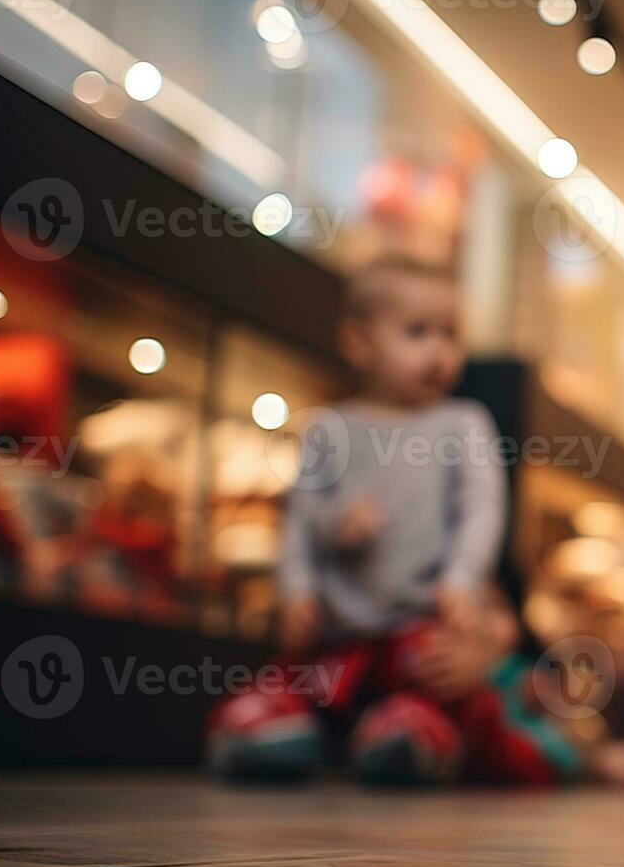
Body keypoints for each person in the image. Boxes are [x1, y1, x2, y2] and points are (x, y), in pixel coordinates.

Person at [208, 256, 553, 786]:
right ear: (360, 343)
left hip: (416, 624)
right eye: (417, 332)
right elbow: (300, 521)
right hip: (338, 629)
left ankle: (409, 732)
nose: (439, 350)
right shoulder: (329, 431)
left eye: (450, 334)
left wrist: (461, 579)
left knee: (434, 675)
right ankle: (279, 728)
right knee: (302, 679)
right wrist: (297, 588)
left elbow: (482, 510)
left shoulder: (463, 425)